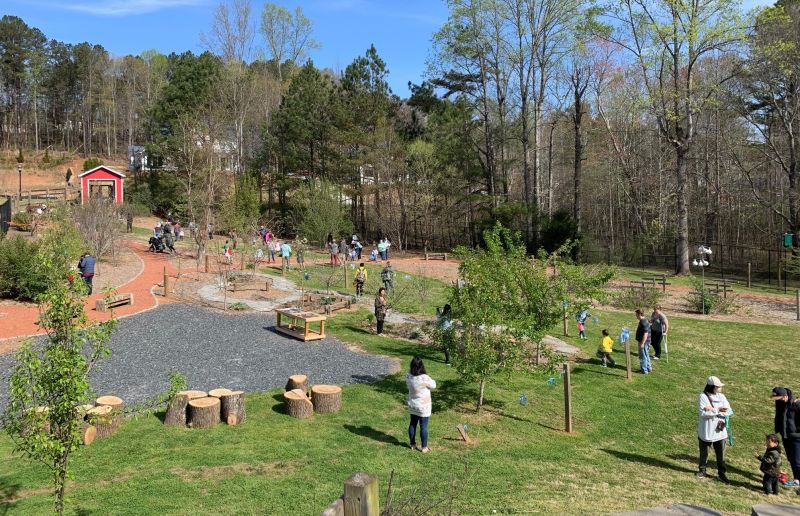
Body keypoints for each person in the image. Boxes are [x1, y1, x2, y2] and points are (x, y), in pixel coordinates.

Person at [697, 376, 731, 483]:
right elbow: (703, 413)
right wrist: (717, 410)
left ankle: (722, 474)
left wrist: (713, 410)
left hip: (720, 432)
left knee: (721, 455)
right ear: (712, 387)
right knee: (704, 453)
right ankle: (702, 470)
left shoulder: (722, 396)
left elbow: (728, 410)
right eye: (717, 387)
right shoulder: (703, 397)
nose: (720, 388)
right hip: (707, 430)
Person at [770, 386, 800, 487]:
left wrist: (797, 431)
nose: (778, 401)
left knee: (797, 460)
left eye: (780, 398)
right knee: (791, 459)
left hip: (797, 437)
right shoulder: (780, 404)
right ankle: (796, 480)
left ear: (785, 396)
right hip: (786, 436)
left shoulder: (796, 404)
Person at [407, 356, 436, 453]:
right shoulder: (424, 378)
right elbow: (434, 385)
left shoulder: (408, 376)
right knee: (423, 427)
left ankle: (412, 444)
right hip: (423, 407)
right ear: (421, 366)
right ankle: (424, 447)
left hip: (413, 405)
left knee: (412, 424)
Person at [635, 309, 652, 374]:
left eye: (636, 315)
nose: (636, 316)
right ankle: (649, 367)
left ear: (640, 314)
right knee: (646, 354)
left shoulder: (643, 322)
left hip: (644, 342)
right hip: (646, 341)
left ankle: (644, 370)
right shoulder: (645, 320)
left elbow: (646, 333)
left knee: (642, 356)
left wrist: (642, 343)